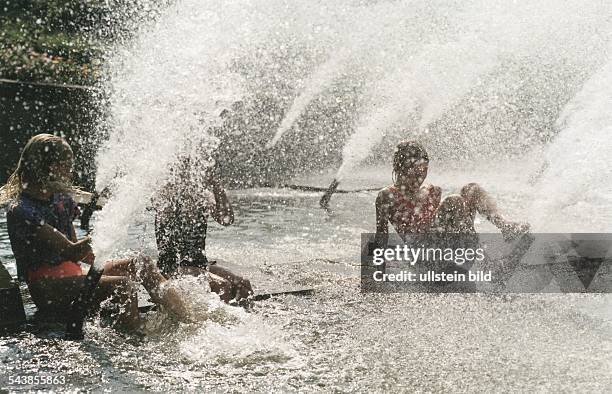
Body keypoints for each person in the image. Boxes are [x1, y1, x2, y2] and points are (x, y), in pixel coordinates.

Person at [0, 134, 190, 330]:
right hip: (48, 287)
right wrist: (108, 227)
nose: (70, 170)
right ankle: (133, 341)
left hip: (75, 272)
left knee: (141, 263)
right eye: (66, 165)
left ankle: (187, 321)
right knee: (123, 286)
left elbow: (81, 255)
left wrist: (105, 260)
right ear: (49, 167)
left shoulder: (60, 200)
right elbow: (71, 251)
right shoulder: (22, 210)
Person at [375, 140, 529, 247]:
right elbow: (381, 238)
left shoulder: (432, 191)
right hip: (423, 255)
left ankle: (504, 226)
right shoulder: (387, 196)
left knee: (471, 189)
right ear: (400, 168)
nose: (419, 178)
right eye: (415, 173)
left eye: (424, 171)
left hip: (447, 246)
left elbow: (445, 226)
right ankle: (482, 259)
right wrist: (377, 276)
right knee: (453, 201)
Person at [153, 153, 253, 303]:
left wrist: (215, 184)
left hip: (199, 265)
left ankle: (240, 320)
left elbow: (226, 219)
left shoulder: (204, 197)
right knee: (222, 285)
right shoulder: (167, 197)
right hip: (172, 267)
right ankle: (217, 324)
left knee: (243, 283)